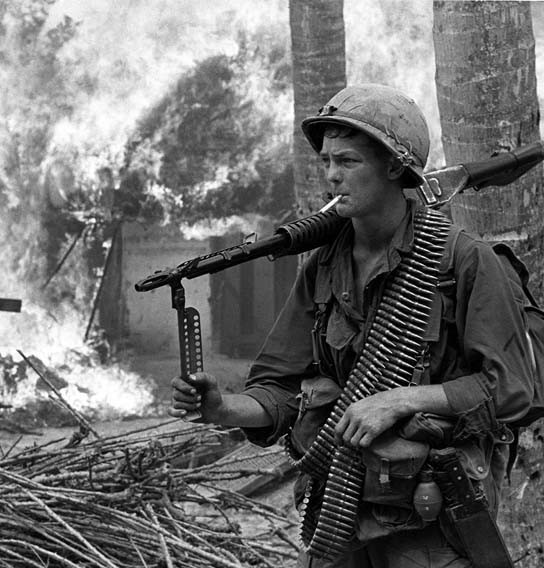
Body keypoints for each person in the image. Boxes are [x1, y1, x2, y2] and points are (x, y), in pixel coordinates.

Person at [168, 84, 535, 568]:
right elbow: (281, 387)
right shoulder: (324, 265)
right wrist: (223, 408)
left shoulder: (461, 260)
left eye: (347, 161)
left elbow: (510, 389)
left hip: (430, 520)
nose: (331, 176)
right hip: (340, 507)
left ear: (395, 167)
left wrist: (401, 400)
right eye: (325, 161)